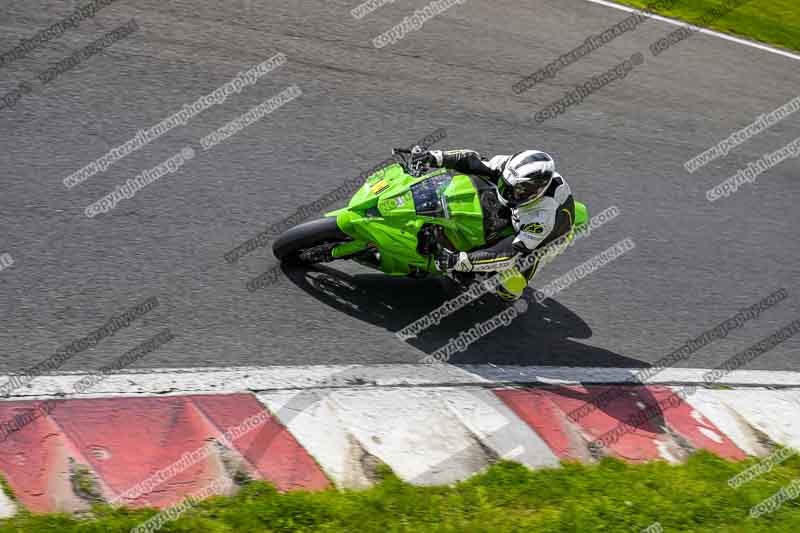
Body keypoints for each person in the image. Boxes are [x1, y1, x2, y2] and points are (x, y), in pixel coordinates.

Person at [415, 149, 575, 301]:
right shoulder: (512, 168)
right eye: (505, 185)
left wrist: (460, 261)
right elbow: (474, 161)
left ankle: (506, 290)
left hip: (544, 239)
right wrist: (437, 157)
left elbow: (509, 254)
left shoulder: (543, 217)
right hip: (520, 210)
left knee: (511, 284)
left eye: (517, 191)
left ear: (536, 192)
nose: (506, 192)